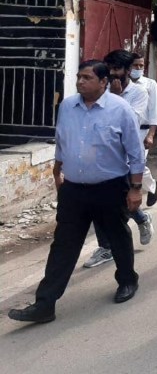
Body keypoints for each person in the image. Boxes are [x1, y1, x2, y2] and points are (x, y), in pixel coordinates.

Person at [8, 61, 145, 324]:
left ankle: (127, 280)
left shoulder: (121, 110)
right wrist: (57, 170)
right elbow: (63, 140)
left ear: (103, 82)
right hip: (73, 190)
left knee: (117, 235)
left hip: (110, 187)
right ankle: (45, 304)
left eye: (87, 78)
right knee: (64, 244)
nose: (80, 82)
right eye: (79, 77)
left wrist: (136, 189)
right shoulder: (68, 106)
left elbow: (135, 154)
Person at [84, 49, 154, 269]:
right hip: (99, 154)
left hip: (124, 156)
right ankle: (105, 247)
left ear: (126, 70)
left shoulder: (139, 92)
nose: (111, 73)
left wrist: (115, 97)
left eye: (116, 69)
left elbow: (130, 123)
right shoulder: (100, 88)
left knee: (120, 200)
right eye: (109, 68)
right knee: (96, 202)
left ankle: (141, 219)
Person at [130, 52, 157, 207]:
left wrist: (151, 134)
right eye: (135, 65)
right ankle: (150, 185)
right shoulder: (122, 84)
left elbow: (154, 111)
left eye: (141, 65)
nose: (139, 68)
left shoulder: (150, 84)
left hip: (143, 131)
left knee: (138, 163)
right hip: (126, 130)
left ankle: (152, 187)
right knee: (126, 164)